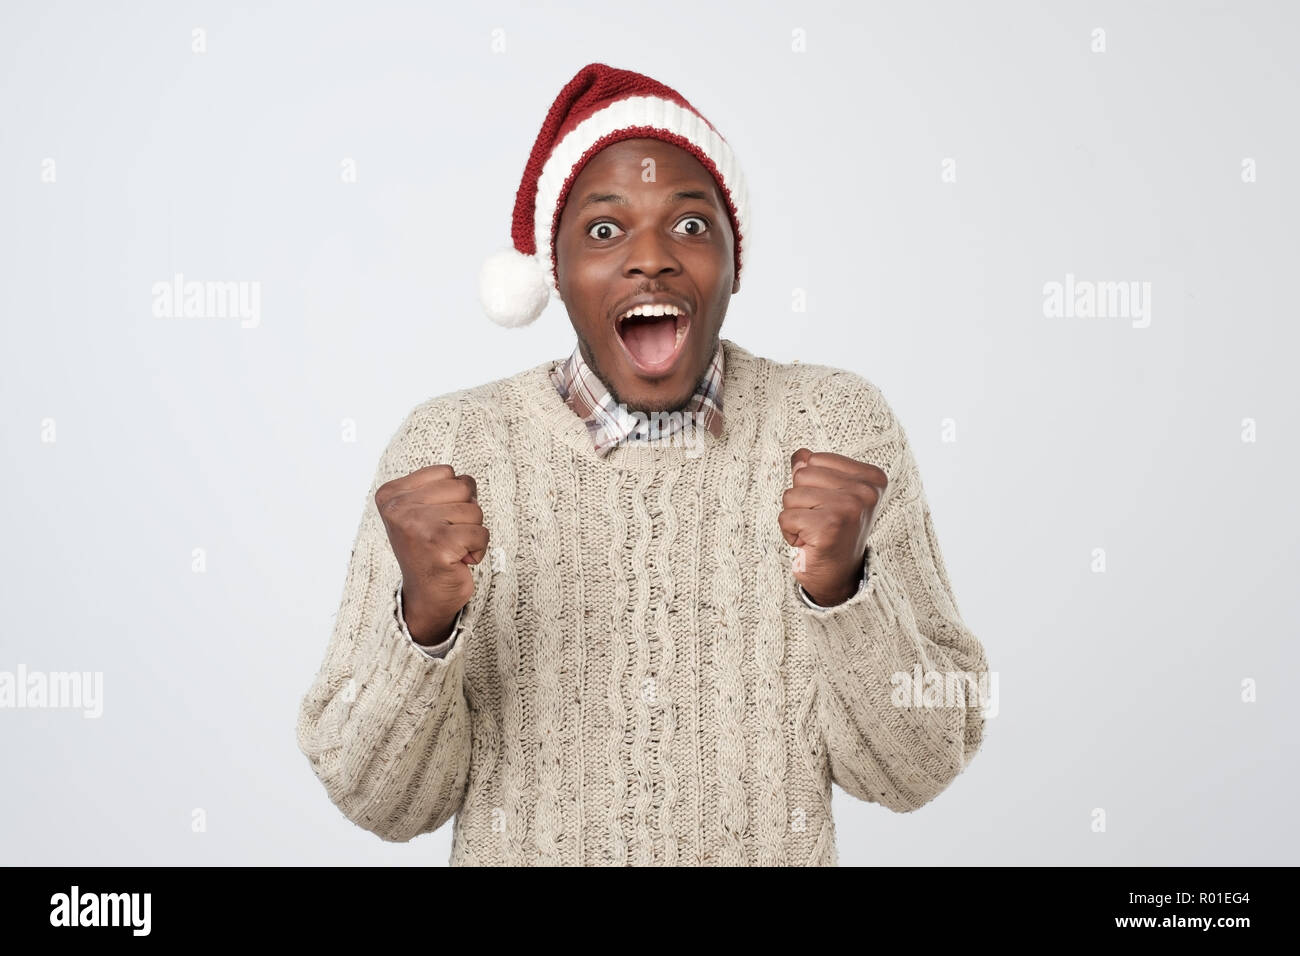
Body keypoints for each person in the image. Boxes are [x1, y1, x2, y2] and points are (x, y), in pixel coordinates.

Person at [295, 62, 990, 866]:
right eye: (603, 230)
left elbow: (918, 769)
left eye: (692, 226)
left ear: (737, 260)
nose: (651, 258)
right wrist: (424, 621)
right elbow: (381, 802)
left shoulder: (836, 428)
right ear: (551, 271)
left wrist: (844, 593)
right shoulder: (450, 449)